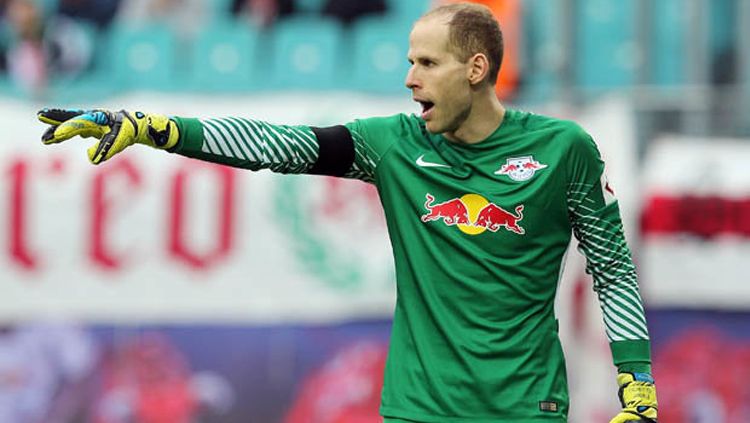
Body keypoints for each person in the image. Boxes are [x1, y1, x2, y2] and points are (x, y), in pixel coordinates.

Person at [35, 3, 658, 422]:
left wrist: (636, 383)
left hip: (526, 410)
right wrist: (155, 128)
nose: (410, 78)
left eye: (427, 63)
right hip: (418, 408)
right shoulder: (393, 145)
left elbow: (613, 268)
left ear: (476, 69)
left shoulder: (564, 150)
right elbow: (274, 146)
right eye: (409, 60)